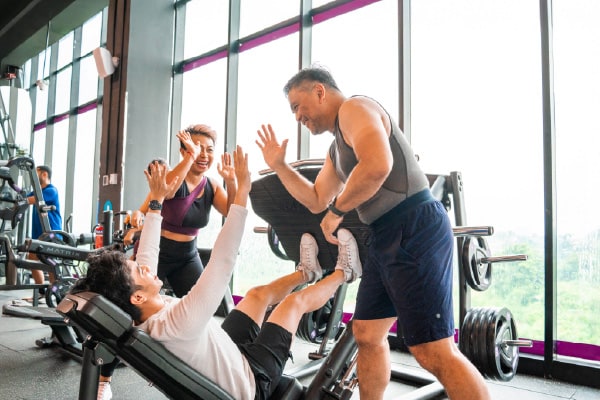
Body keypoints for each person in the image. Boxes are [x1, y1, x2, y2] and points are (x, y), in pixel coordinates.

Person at [255, 66, 491, 400]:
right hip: (383, 234)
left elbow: (378, 164)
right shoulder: (337, 148)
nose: (297, 117)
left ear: (319, 91)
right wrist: (280, 166)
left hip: (413, 225)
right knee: (366, 333)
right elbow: (316, 199)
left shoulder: (355, 108)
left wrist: (337, 212)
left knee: (432, 350)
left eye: (297, 106)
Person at [71, 147, 363, 400]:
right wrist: (242, 191)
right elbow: (222, 262)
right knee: (291, 305)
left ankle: (306, 273)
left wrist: (157, 200)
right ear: (136, 297)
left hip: (226, 353)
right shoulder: (176, 324)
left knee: (256, 296)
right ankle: (344, 272)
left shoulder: (143, 315)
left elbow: (148, 252)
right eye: (138, 270)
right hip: (252, 382)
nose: (145, 265)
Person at [96, 127, 235, 399]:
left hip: (187, 256)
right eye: (197, 148)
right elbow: (165, 192)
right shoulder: (173, 176)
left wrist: (232, 182)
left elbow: (233, 210)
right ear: (184, 150)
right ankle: (103, 379)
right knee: (126, 312)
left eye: (209, 150)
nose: (204, 155)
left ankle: (201, 372)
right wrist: (136, 221)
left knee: (205, 310)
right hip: (156, 251)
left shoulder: (211, 186)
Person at [26, 165, 63, 301]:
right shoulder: (36, 191)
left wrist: (23, 200)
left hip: (51, 234)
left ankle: (55, 294)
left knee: (50, 263)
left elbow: (31, 200)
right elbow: (24, 198)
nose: (33, 178)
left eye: (36, 174)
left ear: (44, 174)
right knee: (32, 258)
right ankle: (41, 291)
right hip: (39, 234)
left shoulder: (51, 190)